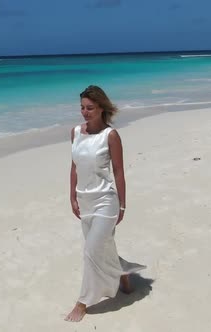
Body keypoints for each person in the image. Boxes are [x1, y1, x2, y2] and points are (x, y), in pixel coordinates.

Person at [65, 85, 145, 322]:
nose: (84, 112)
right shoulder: (75, 132)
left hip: (106, 201)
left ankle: (83, 302)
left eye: (90, 108)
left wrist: (122, 205)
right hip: (84, 200)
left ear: (102, 108)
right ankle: (123, 274)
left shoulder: (110, 135)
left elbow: (119, 172)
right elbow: (74, 166)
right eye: (82, 107)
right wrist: (71, 195)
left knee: (90, 251)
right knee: (103, 245)